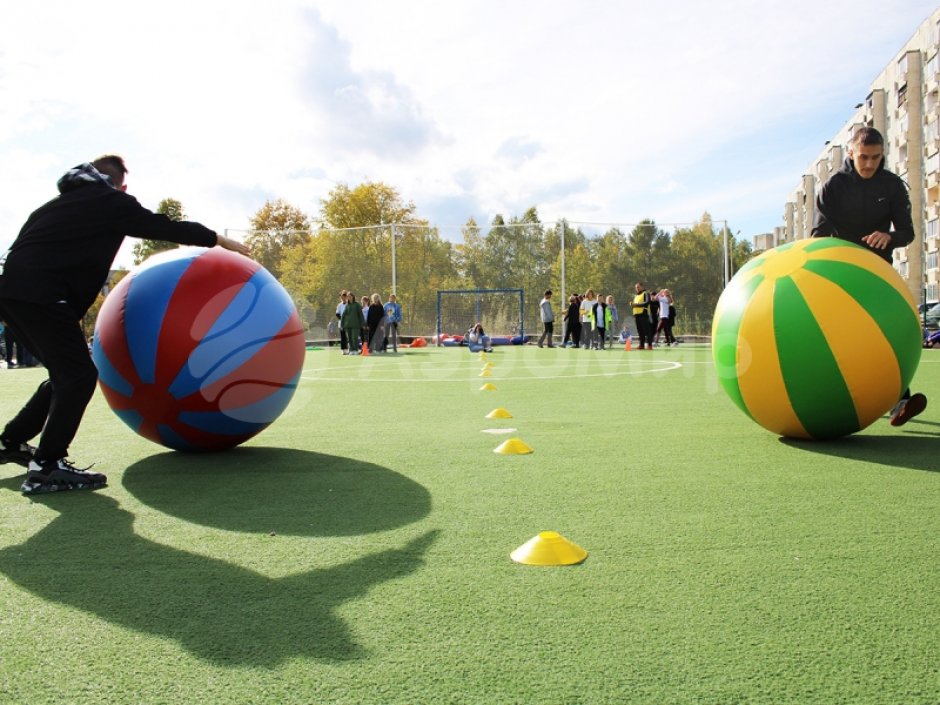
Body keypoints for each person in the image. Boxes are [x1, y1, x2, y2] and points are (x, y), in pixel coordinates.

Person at [0, 156, 249, 494]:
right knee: (78, 377)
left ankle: (12, 441)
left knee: (64, 375)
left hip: (12, 295)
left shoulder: (54, 205)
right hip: (43, 295)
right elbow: (162, 226)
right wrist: (220, 241)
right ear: (122, 185)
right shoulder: (110, 201)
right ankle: (46, 466)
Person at [813, 126, 927, 426]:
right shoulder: (833, 187)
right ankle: (825, 397)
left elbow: (908, 233)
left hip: (877, 273)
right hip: (838, 275)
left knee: (886, 333)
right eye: (863, 157)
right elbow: (818, 236)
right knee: (840, 339)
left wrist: (887, 237)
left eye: (876, 158)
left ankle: (901, 400)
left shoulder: (892, 186)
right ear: (851, 153)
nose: (869, 164)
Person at [631, 282, 654, 350]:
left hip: (643, 314)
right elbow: (635, 305)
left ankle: (650, 345)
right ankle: (641, 345)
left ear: (642, 287)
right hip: (636, 315)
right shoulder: (636, 296)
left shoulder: (646, 293)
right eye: (636, 287)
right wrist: (632, 305)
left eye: (638, 287)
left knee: (647, 330)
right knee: (640, 331)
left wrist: (636, 305)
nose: (637, 289)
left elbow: (647, 303)